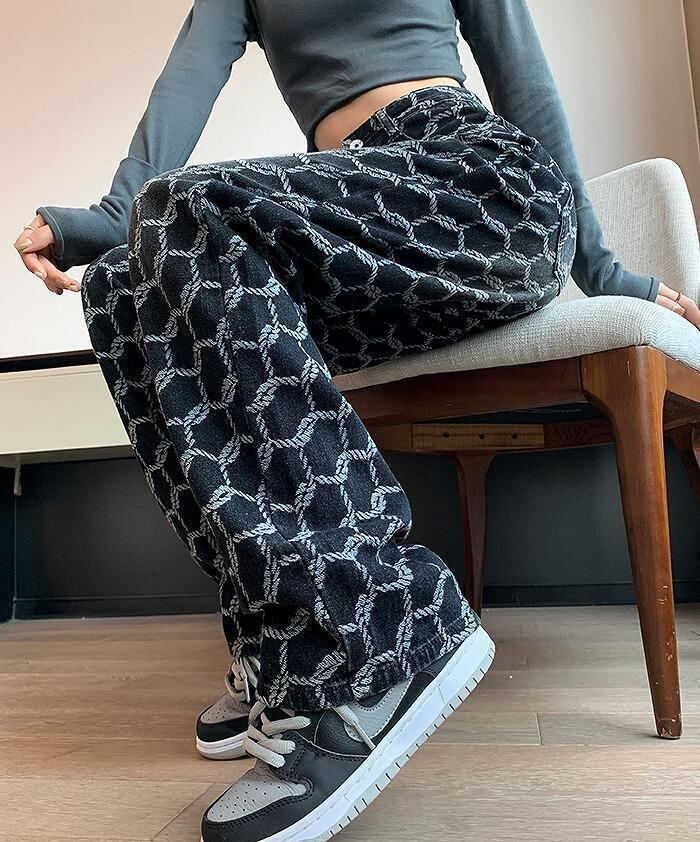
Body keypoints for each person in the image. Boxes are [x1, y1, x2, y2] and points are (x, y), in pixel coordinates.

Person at [12, 2, 699, 841]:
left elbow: (525, 81)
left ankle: (380, 632)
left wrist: (605, 270)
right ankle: (278, 641)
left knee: (184, 211)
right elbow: (179, 97)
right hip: (362, 231)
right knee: (124, 285)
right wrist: (101, 225)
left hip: (474, 185)